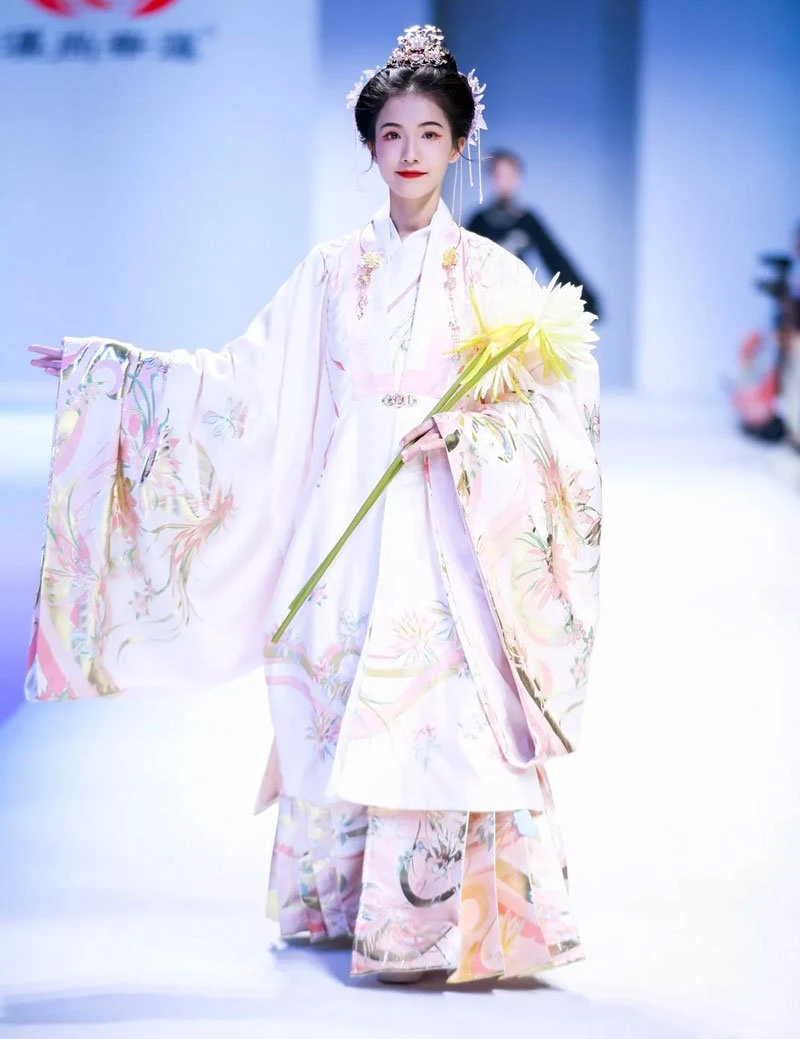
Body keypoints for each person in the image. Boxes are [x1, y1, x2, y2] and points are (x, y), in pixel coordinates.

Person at [27, 25, 601, 984]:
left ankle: (443, 925)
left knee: (442, 713)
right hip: (349, 515)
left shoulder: (496, 278)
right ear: (369, 146)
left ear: (459, 144)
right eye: (391, 133)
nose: (409, 151)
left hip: (448, 528)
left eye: (429, 133)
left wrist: (468, 439)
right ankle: (345, 903)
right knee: (338, 693)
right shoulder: (333, 272)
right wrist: (115, 375)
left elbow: (553, 413)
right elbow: (245, 380)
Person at [468, 149, 601, 319]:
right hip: (484, 304)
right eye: (500, 175)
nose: (505, 181)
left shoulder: (527, 221)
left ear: (518, 178)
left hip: (518, 302)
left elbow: (554, 257)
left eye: (510, 175)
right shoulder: (479, 221)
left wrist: (584, 300)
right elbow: (463, 264)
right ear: (491, 178)